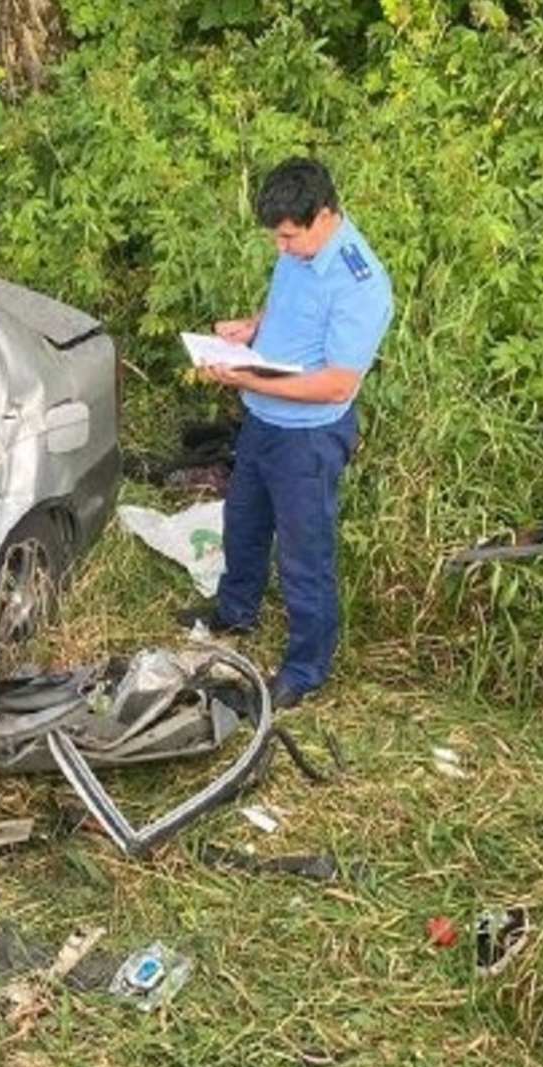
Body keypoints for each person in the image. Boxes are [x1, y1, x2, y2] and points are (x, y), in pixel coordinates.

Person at [184, 157, 394, 709]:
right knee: (243, 522)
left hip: (308, 439)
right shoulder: (298, 253)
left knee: (306, 556)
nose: (281, 248)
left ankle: (305, 668)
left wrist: (247, 376)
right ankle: (235, 612)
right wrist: (250, 330)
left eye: (288, 237)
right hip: (261, 421)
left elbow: (336, 385)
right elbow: (288, 311)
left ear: (324, 217)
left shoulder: (359, 283)